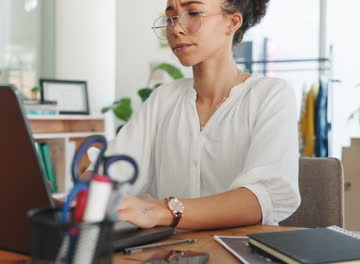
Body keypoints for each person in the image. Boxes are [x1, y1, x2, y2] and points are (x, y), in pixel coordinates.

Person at [91, 0, 300, 230]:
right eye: (171, 18)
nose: (176, 29)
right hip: (171, 252)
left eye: (193, 13)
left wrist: (162, 210)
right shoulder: (164, 99)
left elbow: (263, 199)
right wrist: (89, 186)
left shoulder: (270, 95)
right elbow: (110, 173)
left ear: (233, 22)